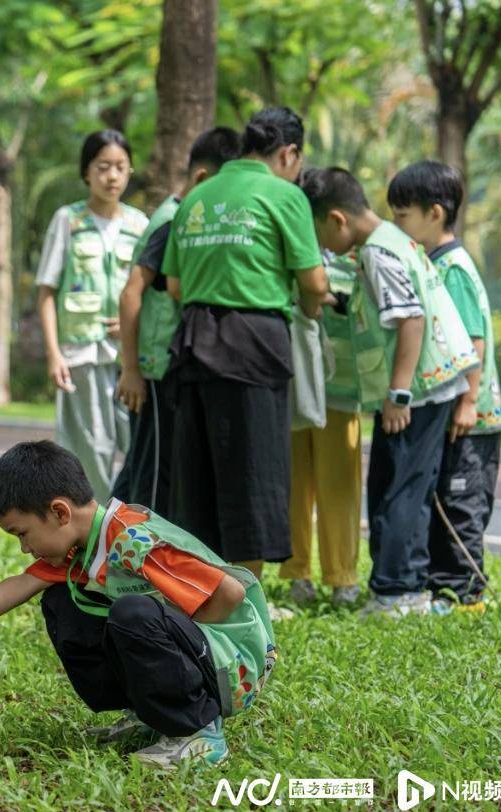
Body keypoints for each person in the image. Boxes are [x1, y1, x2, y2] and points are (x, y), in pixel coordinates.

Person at [0, 441, 276, 770]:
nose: (25, 548)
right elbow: (22, 583)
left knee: (132, 614)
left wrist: (175, 635)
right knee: (63, 602)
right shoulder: (84, 545)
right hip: (199, 654)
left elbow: (230, 593)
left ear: (60, 512)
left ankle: (199, 732)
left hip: (233, 665)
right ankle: (153, 715)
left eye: (22, 534)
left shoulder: (132, 540)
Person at [300, 166, 477, 618]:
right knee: (402, 484)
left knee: (398, 487)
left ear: (337, 220)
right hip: (429, 383)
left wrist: (399, 394)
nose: (319, 247)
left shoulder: (377, 253)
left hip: (416, 391)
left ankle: (397, 593)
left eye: (317, 232)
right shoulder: (393, 241)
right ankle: (406, 587)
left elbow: (410, 319)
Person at [161, 106, 328, 581]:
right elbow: (314, 284)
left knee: (199, 479)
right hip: (255, 345)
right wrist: (312, 313)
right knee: (252, 475)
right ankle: (244, 597)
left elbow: (174, 286)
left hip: (193, 344)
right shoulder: (284, 194)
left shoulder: (197, 195)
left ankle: (202, 591)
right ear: (289, 153)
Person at [389, 160, 501, 613]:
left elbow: (470, 339)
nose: (398, 227)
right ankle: (446, 588)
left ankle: (466, 593)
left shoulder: (451, 268)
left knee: (462, 503)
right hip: (460, 412)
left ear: (434, 213)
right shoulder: (439, 261)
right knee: (448, 499)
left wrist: (468, 400)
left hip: (470, 416)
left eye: (403, 216)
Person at [113, 127, 241, 514]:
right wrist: (131, 369)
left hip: (170, 367)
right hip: (153, 369)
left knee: (144, 466)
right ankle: (136, 560)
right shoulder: (171, 220)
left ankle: (99, 548)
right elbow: (131, 291)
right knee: (152, 476)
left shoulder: (184, 217)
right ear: (203, 178)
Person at [36, 129, 148, 500]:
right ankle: (97, 530)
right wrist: (54, 354)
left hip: (128, 356)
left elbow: (150, 292)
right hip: (80, 355)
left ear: (130, 171)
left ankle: (134, 527)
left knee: (138, 444)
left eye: (120, 167)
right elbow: (47, 292)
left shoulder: (140, 225)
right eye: (103, 167)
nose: (112, 176)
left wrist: (134, 322)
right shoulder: (66, 221)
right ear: (87, 172)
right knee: (91, 451)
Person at [280, 250, 364, 607]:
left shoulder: (357, 257)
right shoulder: (288, 251)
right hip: (294, 386)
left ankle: (342, 577)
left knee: (341, 486)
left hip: (342, 389)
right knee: (294, 486)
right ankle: (298, 574)